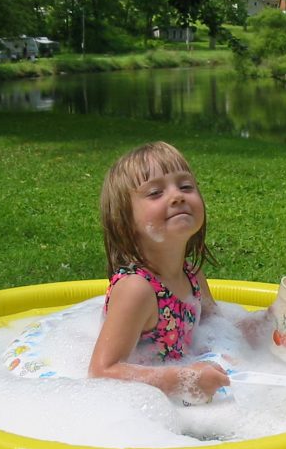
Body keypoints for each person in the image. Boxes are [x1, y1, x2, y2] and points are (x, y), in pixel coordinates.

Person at [88, 141, 230, 403]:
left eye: (186, 186)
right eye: (155, 193)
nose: (177, 196)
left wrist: (268, 323)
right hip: (135, 407)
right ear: (125, 222)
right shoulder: (137, 290)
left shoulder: (192, 274)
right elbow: (101, 372)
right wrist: (185, 381)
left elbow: (218, 326)